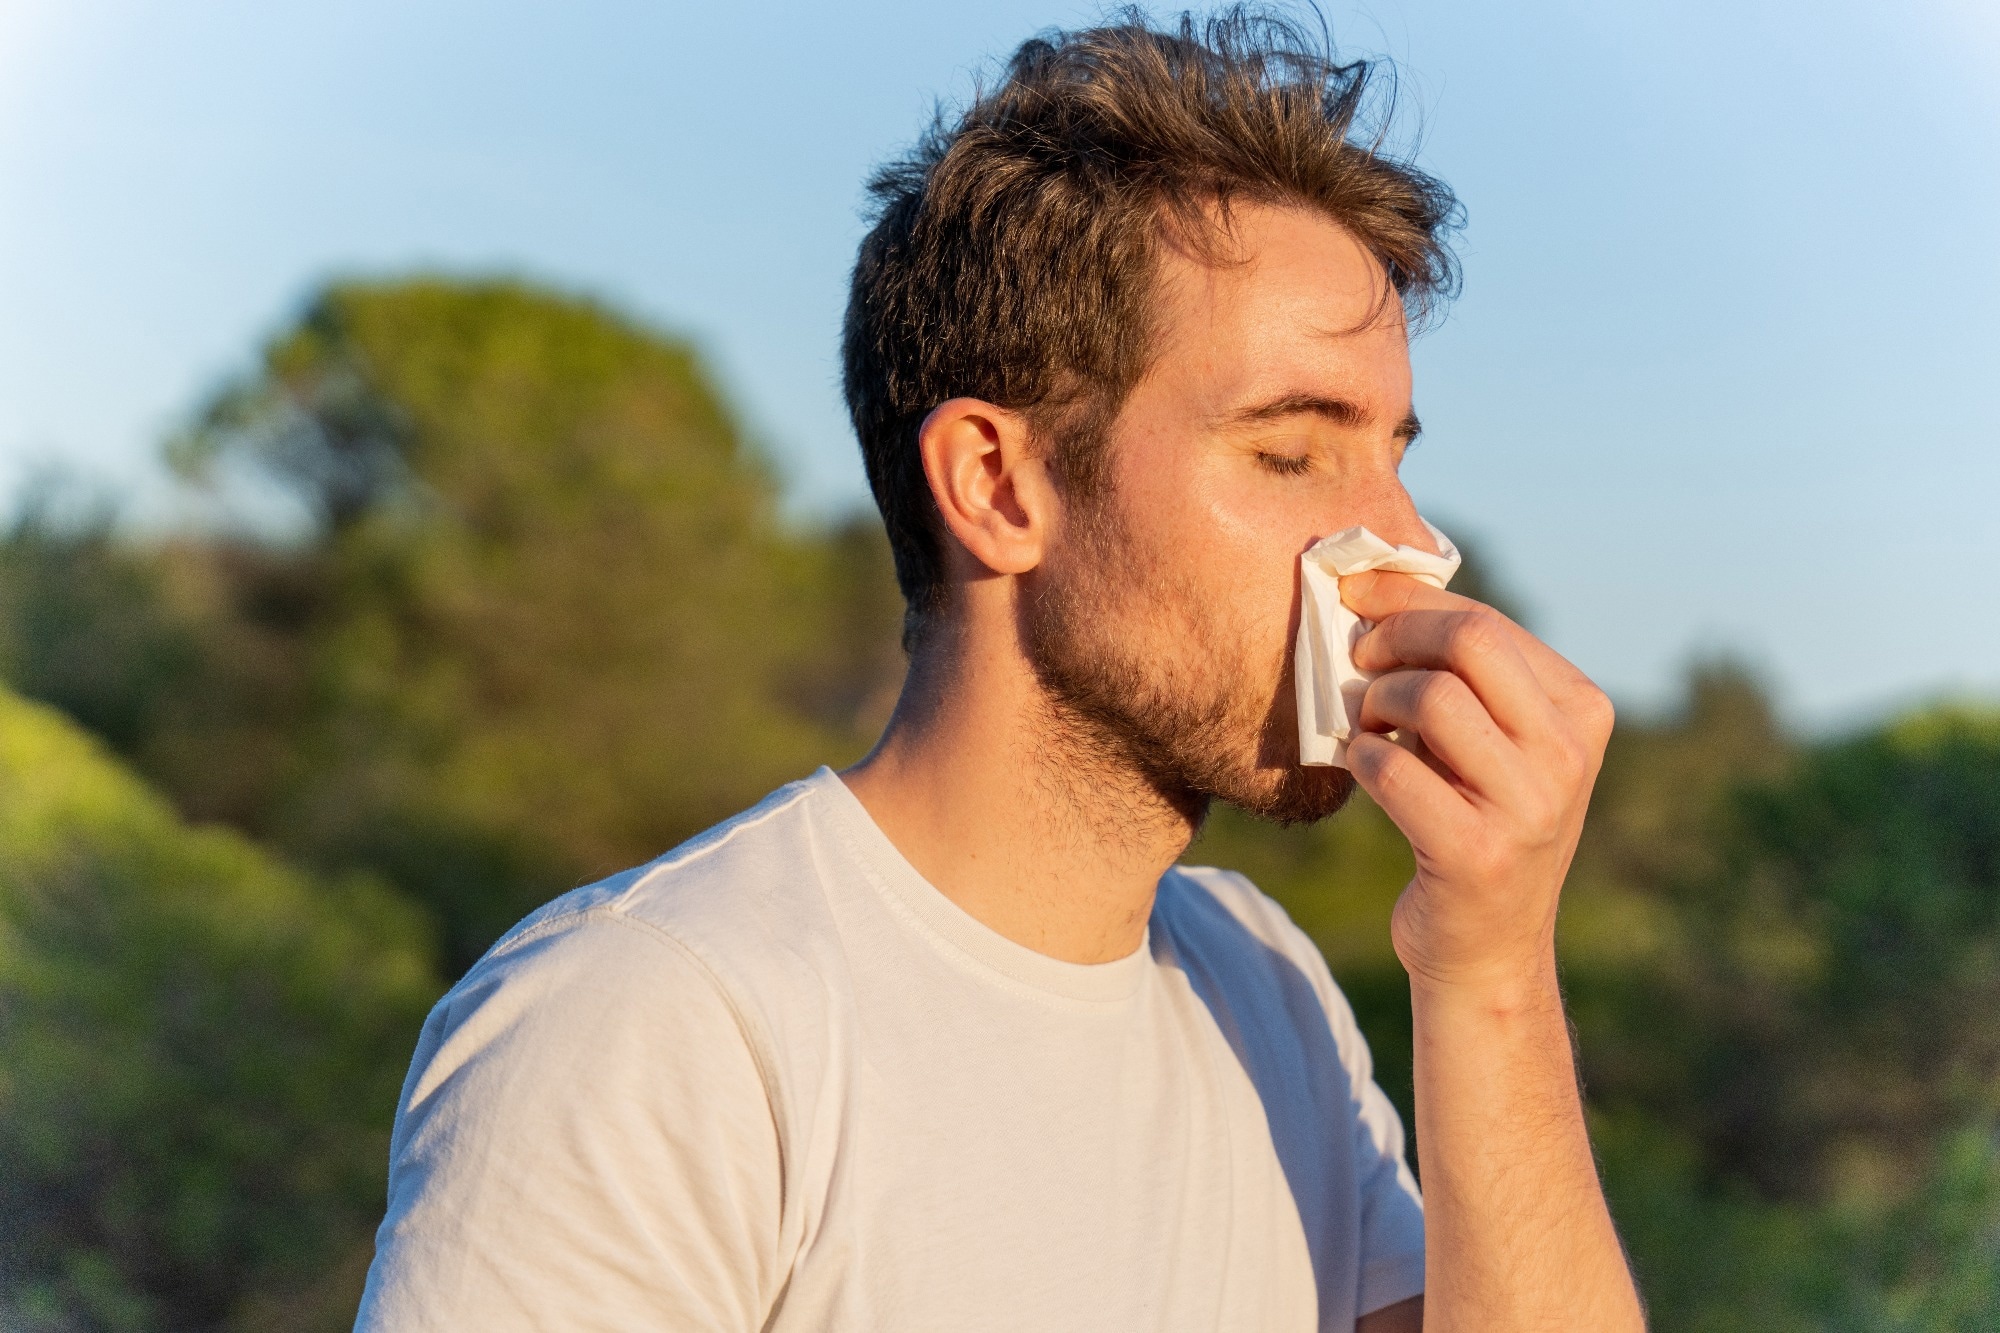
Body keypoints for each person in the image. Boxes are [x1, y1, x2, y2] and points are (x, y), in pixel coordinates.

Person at [355, 10, 1646, 1331]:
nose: (1415, 544)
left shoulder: (1268, 987)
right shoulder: (652, 1021)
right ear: (996, 485)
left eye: (1394, 451)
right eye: (1292, 449)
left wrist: (1490, 966)